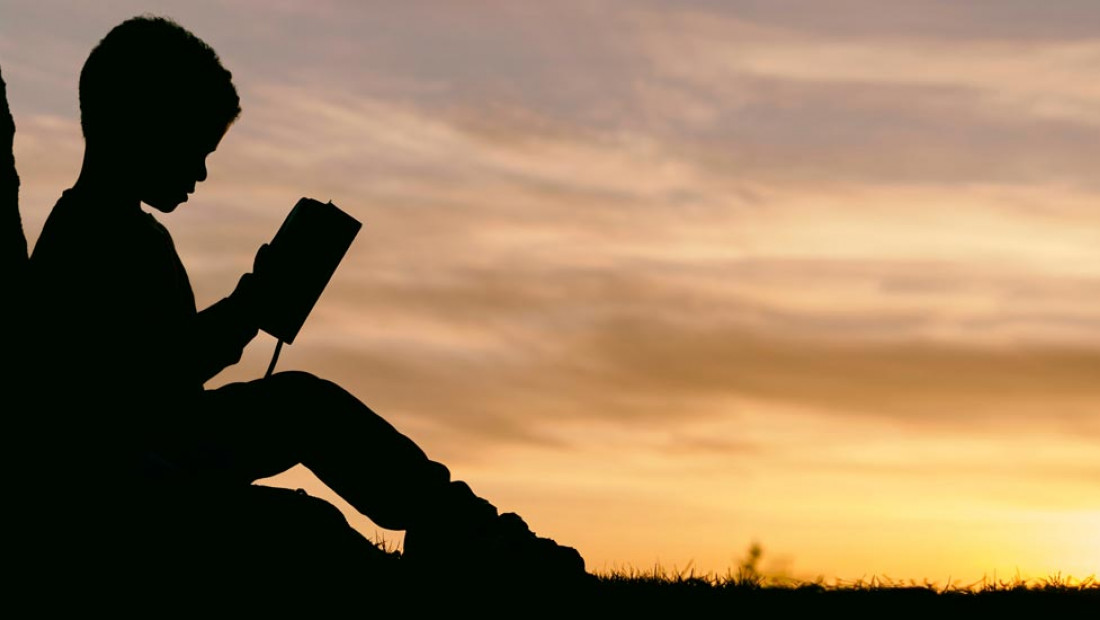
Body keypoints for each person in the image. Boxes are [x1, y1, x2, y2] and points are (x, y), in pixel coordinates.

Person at [25, 15, 584, 597]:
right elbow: (142, 387)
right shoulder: (88, 238)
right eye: (194, 145)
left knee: (302, 403)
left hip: (163, 452)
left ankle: (464, 531)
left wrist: (250, 306)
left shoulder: (126, 232)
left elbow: (165, 373)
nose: (201, 171)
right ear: (142, 123)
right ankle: (467, 553)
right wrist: (250, 306)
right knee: (309, 524)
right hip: (123, 487)